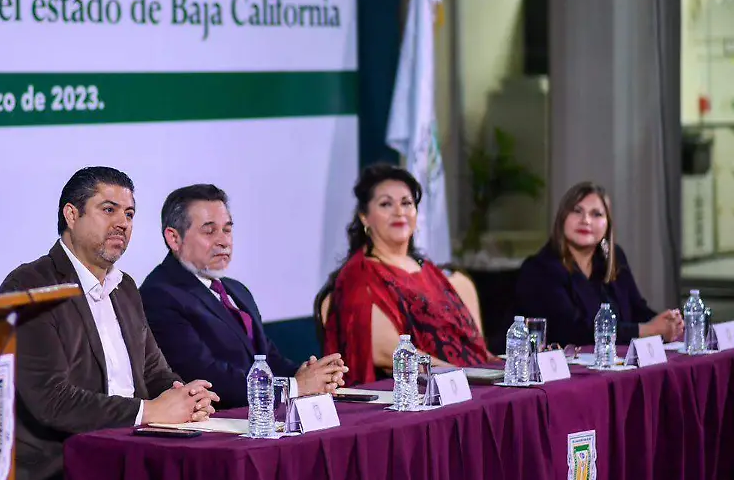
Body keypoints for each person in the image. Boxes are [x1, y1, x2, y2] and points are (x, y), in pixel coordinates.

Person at [0, 167, 219, 480]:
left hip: (134, 453)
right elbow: (50, 399)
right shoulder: (31, 285)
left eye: (129, 214)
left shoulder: (124, 287)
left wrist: (183, 397)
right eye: (108, 210)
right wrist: (149, 411)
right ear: (72, 216)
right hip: (65, 465)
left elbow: (153, 371)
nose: (122, 223)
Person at [140, 184, 347, 408]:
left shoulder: (236, 290)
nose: (224, 241)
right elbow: (206, 376)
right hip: (216, 425)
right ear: (174, 238)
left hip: (259, 416)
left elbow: (267, 358)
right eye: (209, 231)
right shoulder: (159, 295)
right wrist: (295, 386)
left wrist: (310, 375)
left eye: (227, 229)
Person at [316, 164, 491, 386]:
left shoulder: (428, 270)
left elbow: (476, 347)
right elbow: (388, 353)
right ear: (365, 218)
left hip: (470, 382)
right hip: (418, 395)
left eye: (406, 203)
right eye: (386, 204)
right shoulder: (359, 277)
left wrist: (492, 372)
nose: (399, 212)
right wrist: (464, 376)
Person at [514, 181, 682, 348]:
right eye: (577, 211)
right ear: (562, 218)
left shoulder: (614, 258)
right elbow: (571, 331)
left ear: (607, 224)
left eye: (596, 214)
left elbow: (637, 310)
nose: (585, 220)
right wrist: (647, 330)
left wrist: (667, 322)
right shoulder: (539, 269)